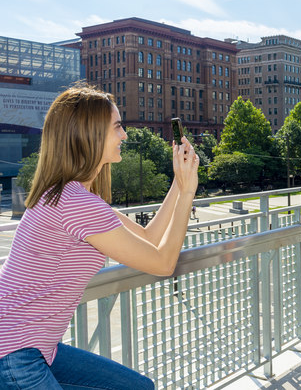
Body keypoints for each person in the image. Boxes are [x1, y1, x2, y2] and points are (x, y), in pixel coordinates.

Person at [0, 85, 199, 389]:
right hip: (15, 354)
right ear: (88, 134)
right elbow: (162, 262)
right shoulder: (76, 203)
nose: (125, 136)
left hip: (38, 348)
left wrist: (178, 181)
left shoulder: (71, 195)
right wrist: (187, 192)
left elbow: (149, 237)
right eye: (117, 127)